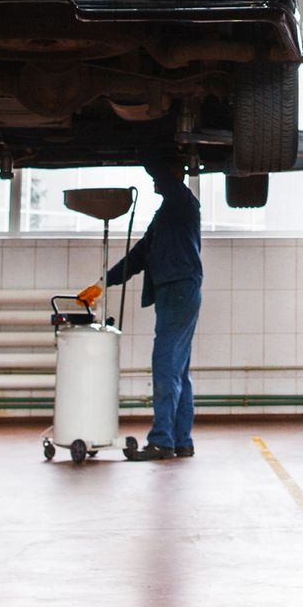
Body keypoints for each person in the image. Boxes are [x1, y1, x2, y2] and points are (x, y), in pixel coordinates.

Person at [79, 158, 202, 460]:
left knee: (165, 365)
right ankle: (180, 440)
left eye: (157, 177)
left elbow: (163, 173)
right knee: (177, 370)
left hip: (179, 290)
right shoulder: (164, 216)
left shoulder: (182, 201)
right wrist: (101, 283)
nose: (152, 182)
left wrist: (145, 151)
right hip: (175, 292)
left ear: (174, 173)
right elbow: (138, 257)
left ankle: (161, 441)